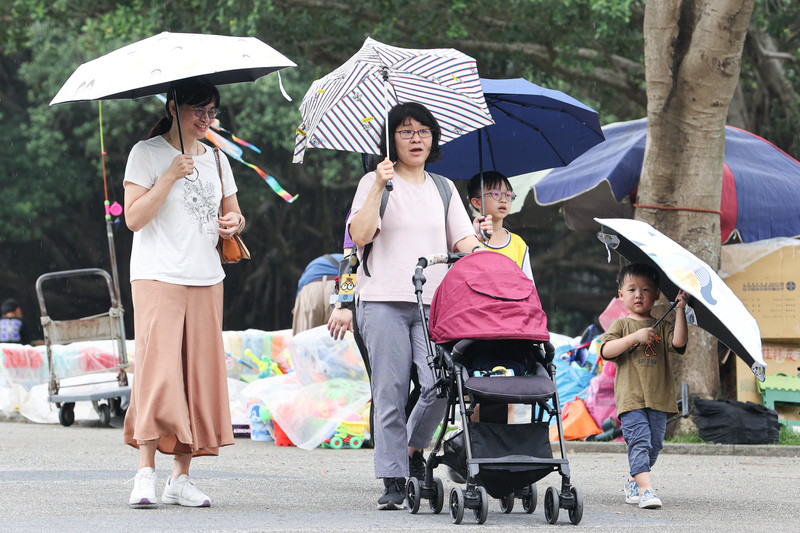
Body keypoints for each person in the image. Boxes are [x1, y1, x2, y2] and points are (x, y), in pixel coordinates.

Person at [347, 102, 488, 510]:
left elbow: (462, 240)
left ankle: (410, 451)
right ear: (392, 138)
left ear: (433, 139)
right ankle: (392, 477)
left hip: (433, 304)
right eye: (406, 131)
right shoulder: (373, 182)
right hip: (382, 301)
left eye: (423, 131)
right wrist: (377, 185)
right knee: (389, 390)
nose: (415, 139)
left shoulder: (443, 188)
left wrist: (487, 256)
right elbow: (359, 234)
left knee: (440, 384)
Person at [122, 77, 241, 508]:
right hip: (158, 275)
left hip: (206, 277)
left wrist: (234, 224)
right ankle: (144, 473)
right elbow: (134, 218)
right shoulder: (146, 153)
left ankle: (181, 477)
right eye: (198, 111)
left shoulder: (218, 159)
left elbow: (233, 213)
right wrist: (169, 176)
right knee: (159, 375)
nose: (206, 120)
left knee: (196, 377)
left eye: (212, 112)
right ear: (174, 106)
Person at [599, 263, 689, 510]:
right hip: (632, 399)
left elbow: (679, 342)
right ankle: (646, 490)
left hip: (659, 398)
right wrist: (633, 338)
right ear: (621, 295)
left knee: (655, 445)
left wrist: (680, 309)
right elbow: (606, 350)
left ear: (657, 294)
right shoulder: (621, 326)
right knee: (639, 441)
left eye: (646, 289)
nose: (638, 295)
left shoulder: (662, 325)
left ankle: (633, 480)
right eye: (631, 289)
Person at [468, 171, 534, 282]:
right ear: (477, 203)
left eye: (508, 195)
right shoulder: (469, 240)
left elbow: (529, 286)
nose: (503, 200)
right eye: (496, 194)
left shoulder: (518, 243)